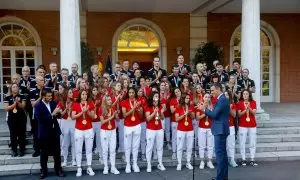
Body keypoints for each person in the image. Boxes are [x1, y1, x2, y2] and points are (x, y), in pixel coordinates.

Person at [200, 82, 230, 180]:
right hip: (221, 129)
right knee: (223, 155)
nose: (211, 92)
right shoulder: (221, 99)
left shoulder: (221, 100)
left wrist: (204, 109)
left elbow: (215, 115)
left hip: (220, 130)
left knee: (220, 155)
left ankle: (220, 178)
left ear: (218, 89)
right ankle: (223, 177)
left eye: (212, 90)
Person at [34, 88, 64, 179]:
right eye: (48, 96)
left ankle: (58, 169)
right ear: (43, 96)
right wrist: (52, 114)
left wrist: (59, 112)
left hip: (54, 132)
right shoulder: (38, 106)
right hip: (44, 133)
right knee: (44, 153)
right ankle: (43, 171)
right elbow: (40, 120)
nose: (51, 97)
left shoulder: (53, 103)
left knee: (57, 152)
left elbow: (57, 116)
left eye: (51, 96)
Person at [71, 89, 96, 177]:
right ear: (80, 95)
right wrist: (82, 112)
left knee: (89, 149)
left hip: (89, 129)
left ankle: (89, 167)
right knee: (78, 150)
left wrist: (87, 111)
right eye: (83, 94)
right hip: (79, 130)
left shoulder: (90, 104)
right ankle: (79, 168)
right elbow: (73, 116)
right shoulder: (75, 104)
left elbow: (93, 117)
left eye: (86, 94)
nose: (84, 96)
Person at [121, 87, 143, 173]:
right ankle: (128, 164)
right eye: (130, 92)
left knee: (135, 146)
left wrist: (139, 109)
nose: (131, 94)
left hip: (137, 125)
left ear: (135, 93)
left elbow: (141, 115)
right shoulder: (124, 102)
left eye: (133, 92)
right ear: (128, 94)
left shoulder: (138, 102)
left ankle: (135, 163)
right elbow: (124, 115)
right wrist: (133, 108)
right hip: (128, 126)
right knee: (127, 146)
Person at [145, 92, 166, 172]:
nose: (157, 97)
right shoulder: (148, 106)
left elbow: (163, 118)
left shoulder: (160, 106)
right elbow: (148, 118)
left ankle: (160, 163)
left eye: (158, 96)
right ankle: (149, 164)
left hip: (159, 128)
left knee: (160, 147)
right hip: (150, 129)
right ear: (152, 97)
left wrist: (161, 112)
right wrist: (154, 112)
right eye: (156, 96)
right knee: (149, 147)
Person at [99, 95, 120, 175]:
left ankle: (113, 167)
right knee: (105, 150)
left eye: (110, 99)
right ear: (104, 101)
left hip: (113, 130)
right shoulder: (101, 109)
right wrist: (111, 117)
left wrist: (116, 115)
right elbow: (102, 122)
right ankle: (106, 167)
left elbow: (117, 120)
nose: (110, 101)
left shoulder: (113, 108)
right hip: (104, 131)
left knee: (112, 149)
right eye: (108, 100)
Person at [4, 83, 26, 157]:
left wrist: (18, 102)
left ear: (18, 88)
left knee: (21, 135)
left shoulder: (22, 96)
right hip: (11, 119)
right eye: (13, 87)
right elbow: (6, 108)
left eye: (16, 87)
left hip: (21, 118)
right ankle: (14, 151)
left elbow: (23, 107)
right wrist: (13, 105)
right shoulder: (7, 97)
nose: (15, 88)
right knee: (13, 135)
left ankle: (22, 150)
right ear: (11, 88)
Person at [237, 89, 258, 167]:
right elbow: (239, 115)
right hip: (243, 125)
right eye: (244, 94)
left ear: (249, 95)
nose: (245, 95)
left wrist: (249, 108)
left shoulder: (253, 102)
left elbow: (254, 113)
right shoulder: (239, 103)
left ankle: (252, 159)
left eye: (246, 94)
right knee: (242, 142)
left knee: (252, 142)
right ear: (242, 95)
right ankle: (243, 159)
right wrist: (245, 109)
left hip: (252, 125)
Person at [175, 93, 195, 171]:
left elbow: (193, 118)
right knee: (180, 147)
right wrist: (184, 114)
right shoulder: (178, 107)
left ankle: (188, 162)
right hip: (181, 129)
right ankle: (179, 163)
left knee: (189, 147)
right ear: (183, 99)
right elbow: (176, 119)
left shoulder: (191, 106)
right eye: (186, 98)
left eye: (188, 98)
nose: (188, 99)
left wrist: (190, 113)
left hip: (190, 129)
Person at [57, 88, 76, 167]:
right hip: (65, 122)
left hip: (73, 122)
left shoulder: (75, 102)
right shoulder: (61, 102)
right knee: (65, 142)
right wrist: (67, 107)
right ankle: (65, 160)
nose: (71, 94)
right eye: (70, 92)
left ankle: (74, 160)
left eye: (72, 92)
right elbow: (61, 114)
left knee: (73, 142)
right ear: (66, 94)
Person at [196, 93, 215, 170]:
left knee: (210, 145)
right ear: (203, 98)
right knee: (202, 145)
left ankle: (209, 161)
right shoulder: (200, 106)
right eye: (206, 97)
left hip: (210, 127)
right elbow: (197, 118)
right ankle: (202, 161)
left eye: (208, 97)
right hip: (202, 128)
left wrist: (209, 111)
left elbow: (214, 116)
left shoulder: (213, 107)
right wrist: (206, 112)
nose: (207, 98)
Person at [224, 90, 238, 168]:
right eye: (225, 95)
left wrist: (229, 108)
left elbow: (234, 115)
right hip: (223, 126)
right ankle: (225, 160)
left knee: (231, 144)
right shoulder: (221, 104)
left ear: (229, 96)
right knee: (224, 144)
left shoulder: (233, 104)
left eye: (227, 95)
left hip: (231, 126)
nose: (226, 96)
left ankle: (232, 159)